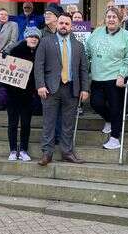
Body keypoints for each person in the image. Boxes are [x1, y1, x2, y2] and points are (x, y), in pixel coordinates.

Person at [35, 13, 89, 166]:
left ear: (71, 26)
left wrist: (85, 88)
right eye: (61, 23)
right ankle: (47, 153)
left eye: (67, 23)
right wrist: (40, 85)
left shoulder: (78, 45)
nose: (64, 26)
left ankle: (67, 152)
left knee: (68, 123)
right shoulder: (46, 42)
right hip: (50, 89)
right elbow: (38, 65)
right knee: (49, 122)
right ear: (57, 24)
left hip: (72, 89)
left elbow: (83, 69)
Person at [85, 7, 128, 149]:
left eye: (114, 17)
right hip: (97, 77)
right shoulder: (96, 33)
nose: (111, 19)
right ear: (105, 19)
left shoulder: (127, 36)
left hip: (115, 78)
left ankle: (115, 138)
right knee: (96, 104)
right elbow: (87, 51)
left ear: (120, 20)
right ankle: (108, 119)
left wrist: (122, 74)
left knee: (116, 108)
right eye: (109, 17)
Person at [5, 27, 42, 161]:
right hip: (13, 94)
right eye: (31, 36)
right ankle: (13, 150)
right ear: (26, 37)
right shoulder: (15, 50)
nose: (33, 38)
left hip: (29, 95)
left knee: (26, 123)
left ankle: (24, 150)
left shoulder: (40, 53)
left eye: (36, 37)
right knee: (13, 123)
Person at [0, 8, 19, 110]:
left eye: (5, 15)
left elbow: (13, 41)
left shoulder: (13, 25)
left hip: (5, 57)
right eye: (1, 14)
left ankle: (4, 104)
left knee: (2, 83)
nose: (3, 16)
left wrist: (4, 51)